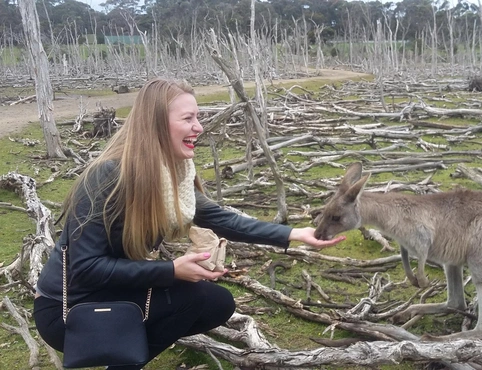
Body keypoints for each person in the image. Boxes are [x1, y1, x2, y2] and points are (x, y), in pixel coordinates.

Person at [34, 78, 345, 369]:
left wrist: (294, 233)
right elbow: (86, 268)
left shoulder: (175, 175)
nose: (199, 127)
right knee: (195, 297)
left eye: (198, 117)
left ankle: (125, 361)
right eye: (188, 119)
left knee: (215, 303)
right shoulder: (107, 176)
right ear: (155, 124)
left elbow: (222, 219)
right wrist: (170, 271)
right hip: (69, 310)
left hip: (112, 292)